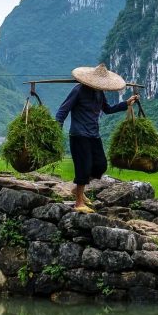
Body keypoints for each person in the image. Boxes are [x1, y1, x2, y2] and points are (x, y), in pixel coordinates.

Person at [54, 64, 137, 212]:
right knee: (83, 168)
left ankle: (76, 190)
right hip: (79, 135)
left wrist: (126, 103)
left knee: (100, 166)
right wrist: (56, 129)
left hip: (94, 135)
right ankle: (78, 202)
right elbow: (63, 110)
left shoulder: (99, 93)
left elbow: (107, 109)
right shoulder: (78, 90)